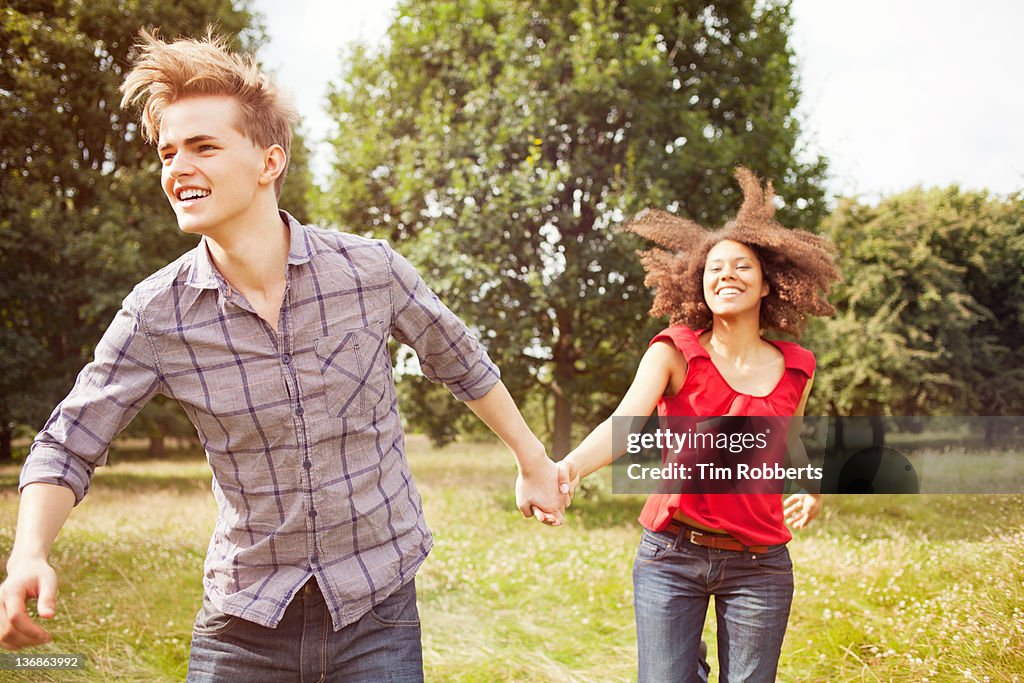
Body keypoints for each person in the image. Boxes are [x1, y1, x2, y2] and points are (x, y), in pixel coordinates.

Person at [0, 31, 569, 680]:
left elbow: (459, 359)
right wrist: (28, 554)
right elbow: (68, 441)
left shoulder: (368, 271)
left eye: (203, 146)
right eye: (168, 152)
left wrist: (532, 460)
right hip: (244, 623)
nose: (178, 167)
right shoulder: (157, 313)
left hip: (376, 609)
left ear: (269, 162)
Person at [558, 167, 841, 682]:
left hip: (760, 565)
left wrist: (810, 487)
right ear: (699, 283)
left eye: (742, 267)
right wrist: (570, 467)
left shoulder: (798, 365)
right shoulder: (675, 351)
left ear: (767, 284)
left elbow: (792, 441)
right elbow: (624, 424)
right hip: (671, 556)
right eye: (714, 268)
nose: (726, 274)